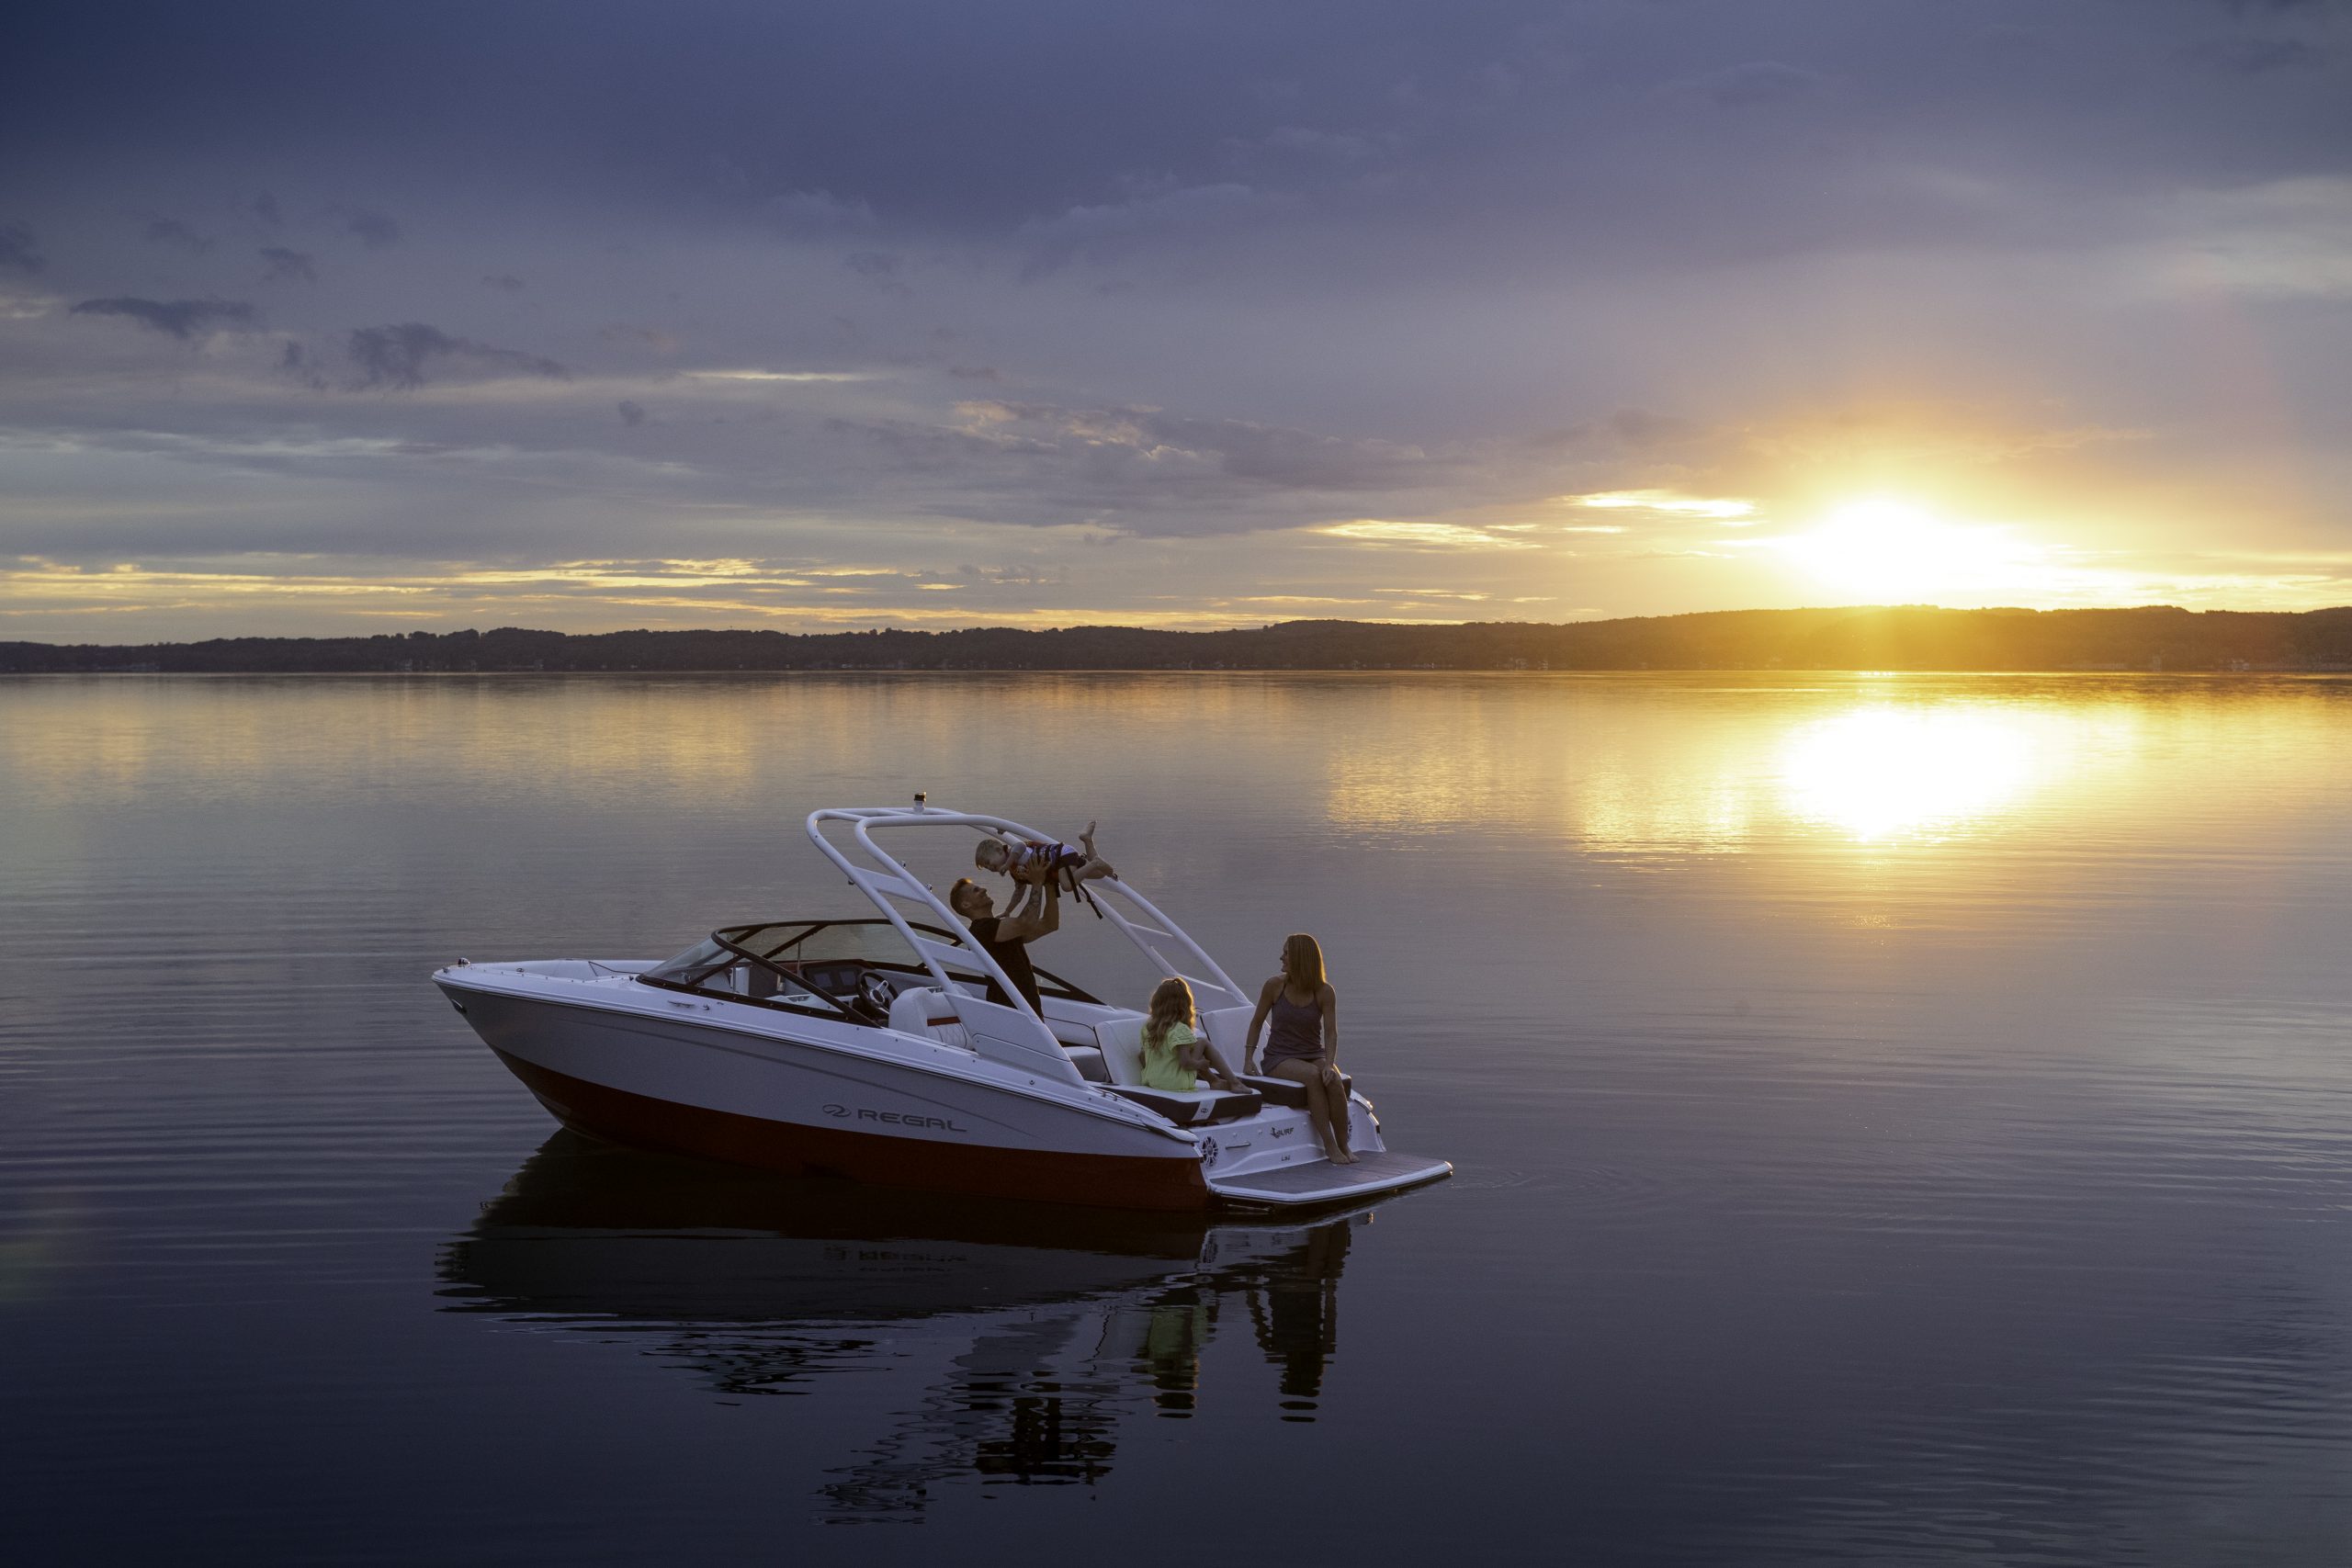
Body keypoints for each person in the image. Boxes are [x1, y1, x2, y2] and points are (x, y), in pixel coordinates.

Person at [1243, 932, 1354, 1165]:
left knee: (1332, 1079)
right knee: (1313, 1077)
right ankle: (1330, 1146)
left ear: (1300, 959)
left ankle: (1345, 1145)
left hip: (1313, 1053)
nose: (1281, 957)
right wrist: (1248, 1058)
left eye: (1286, 953)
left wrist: (1329, 1062)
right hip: (1278, 1057)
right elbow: (1256, 1022)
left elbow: (1331, 1032)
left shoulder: (1324, 992)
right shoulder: (1274, 986)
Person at [948, 874, 1057, 1012]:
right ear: (966, 904)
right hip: (1009, 1010)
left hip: (1026, 1008)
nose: (984, 890)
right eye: (976, 890)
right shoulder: (981, 931)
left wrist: (1050, 884)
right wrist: (1037, 881)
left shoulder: (1000, 929)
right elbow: (1026, 922)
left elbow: (1050, 924)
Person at [1137, 976, 1247, 1093]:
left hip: (1153, 1081)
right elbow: (1186, 1063)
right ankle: (1235, 1083)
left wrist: (1159, 1070)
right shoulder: (1180, 1029)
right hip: (1176, 1084)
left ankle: (1215, 1081)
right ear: (1184, 1004)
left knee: (1193, 1047)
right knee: (1202, 1042)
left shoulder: (1148, 1027)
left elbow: (1141, 1056)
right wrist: (1201, 1064)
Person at [974, 819, 1116, 893]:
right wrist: (1007, 910)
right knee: (1099, 875)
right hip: (1059, 860)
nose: (989, 867)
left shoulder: (1014, 853)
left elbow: (1020, 846)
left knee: (1067, 885)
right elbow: (1019, 891)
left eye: (988, 862)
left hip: (1061, 855)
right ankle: (1087, 840)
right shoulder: (1014, 870)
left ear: (999, 851)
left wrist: (1005, 863)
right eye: (986, 867)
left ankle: (1095, 862)